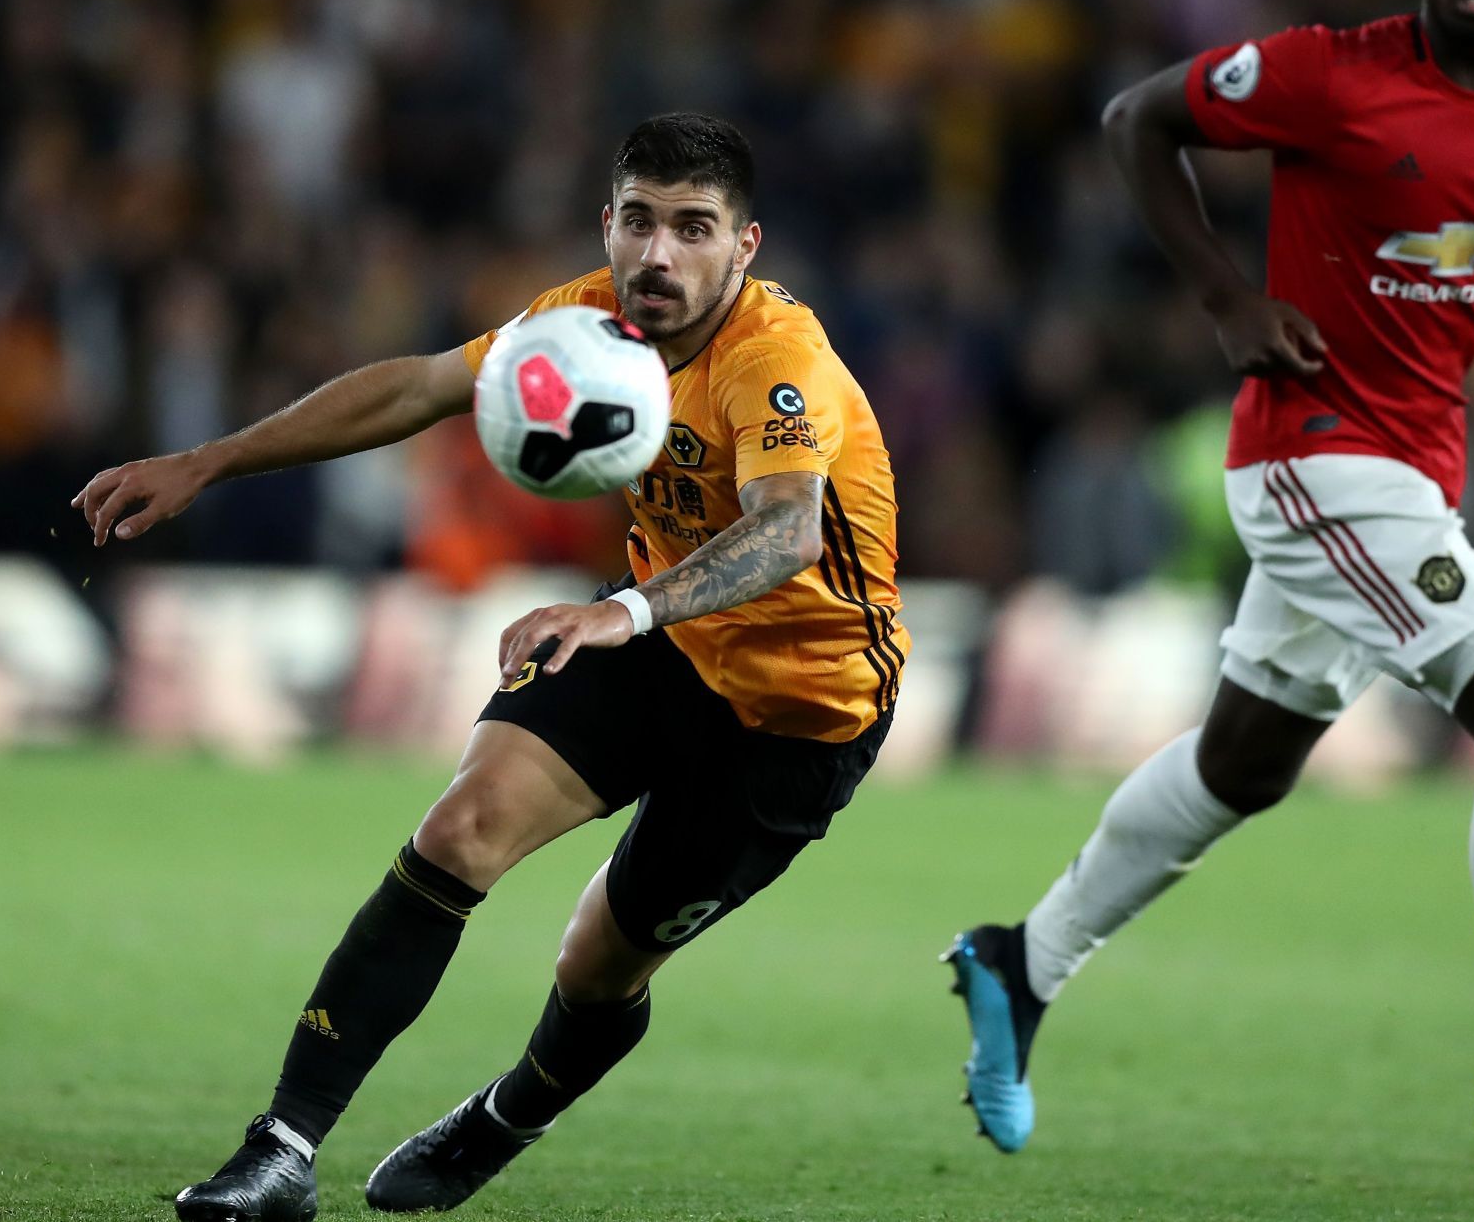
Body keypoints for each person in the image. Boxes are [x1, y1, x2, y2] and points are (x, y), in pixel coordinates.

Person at [943, 0, 1474, 1205]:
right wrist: (1225, 295)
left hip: (1415, 470)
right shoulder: (1330, 72)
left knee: (1243, 765)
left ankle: (1017, 959)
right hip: (1312, 459)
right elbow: (1133, 120)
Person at [74, 114, 907, 1220]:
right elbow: (419, 387)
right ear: (608, 224)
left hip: (803, 715)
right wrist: (206, 461)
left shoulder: (774, 359)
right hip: (653, 646)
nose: (661, 256)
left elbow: (789, 531)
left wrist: (627, 610)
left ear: (743, 246)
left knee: (598, 967)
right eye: (642, 224)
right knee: (459, 829)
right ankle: (279, 1151)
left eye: (694, 229)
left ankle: (506, 1117)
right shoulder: (579, 323)